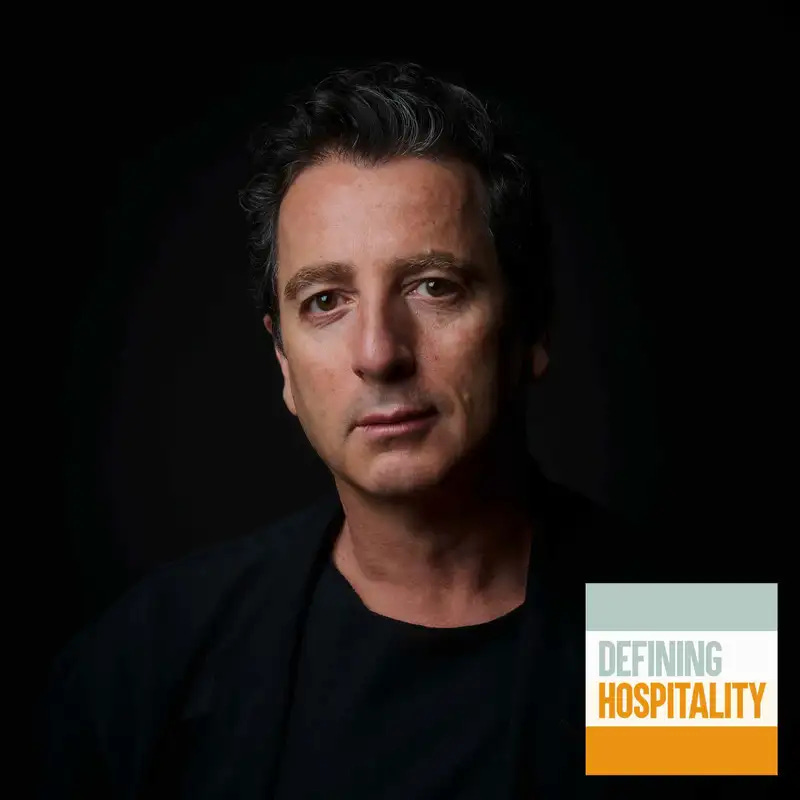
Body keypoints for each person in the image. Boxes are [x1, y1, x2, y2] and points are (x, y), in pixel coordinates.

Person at [36, 62, 635, 799]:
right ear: (284, 363)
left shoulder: (683, 635)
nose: (379, 353)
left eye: (434, 286)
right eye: (325, 300)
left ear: (530, 330)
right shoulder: (150, 662)